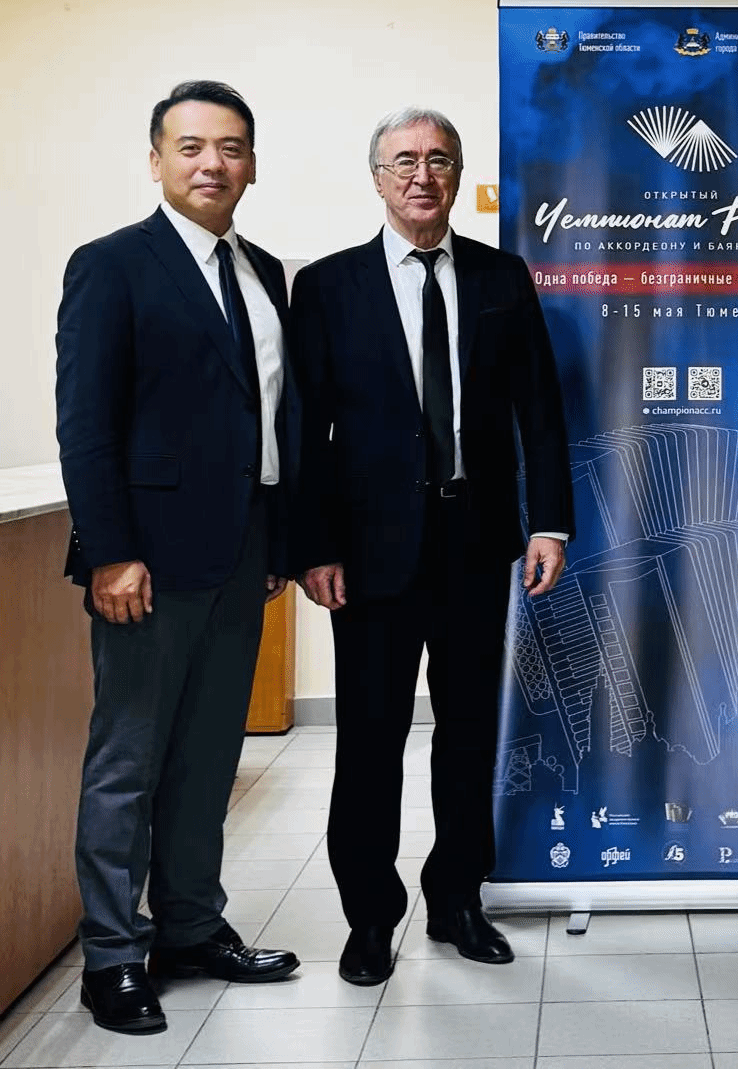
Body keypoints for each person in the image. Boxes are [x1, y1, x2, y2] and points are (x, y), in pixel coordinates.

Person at [291, 107, 574, 985]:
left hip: (474, 542)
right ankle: (370, 916)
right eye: (404, 160)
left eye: (439, 159)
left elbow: (539, 408)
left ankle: (456, 897)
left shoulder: (501, 276)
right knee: (369, 741)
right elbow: (305, 430)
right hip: (368, 554)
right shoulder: (328, 286)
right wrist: (314, 546)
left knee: (469, 735)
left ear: (457, 174)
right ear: (377, 177)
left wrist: (550, 521)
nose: (423, 175)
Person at [56, 80, 300, 1035]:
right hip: (146, 565)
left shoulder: (264, 271)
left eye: (231, 147)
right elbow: (86, 424)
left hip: (241, 555)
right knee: (129, 760)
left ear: (252, 163)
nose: (212, 163)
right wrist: (110, 551)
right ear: (155, 159)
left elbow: (266, 416)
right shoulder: (112, 265)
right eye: (191, 146)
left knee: (208, 757)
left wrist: (276, 541)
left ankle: (192, 928)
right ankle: (114, 954)